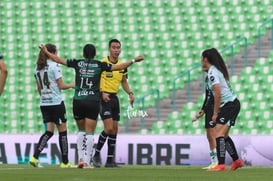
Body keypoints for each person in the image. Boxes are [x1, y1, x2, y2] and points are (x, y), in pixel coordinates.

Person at [39, 43, 144, 169]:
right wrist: (133, 60)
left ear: (83, 54)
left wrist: (46, 51)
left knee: (81, 131)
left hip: (78, 100)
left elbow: (58, 59)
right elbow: (119, 67)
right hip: (92, 101)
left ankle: (81, 159)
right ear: (94, 54)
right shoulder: (100, 65)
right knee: (89, 133)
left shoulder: (77, 63)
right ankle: (88, 162)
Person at [29, 43, 75, 168]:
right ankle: (65, 162)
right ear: (53, 53)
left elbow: (39, 88)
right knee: (63, 132)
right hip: (56, 103)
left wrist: (45, 96)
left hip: (44, 103)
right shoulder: (55, 66)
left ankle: (34, 157)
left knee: (49, 132)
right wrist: (72, 84)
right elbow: (61, 86)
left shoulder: (37, 68)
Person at [93, 39, 134, 168]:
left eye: (118, 48)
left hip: (114, 99)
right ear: (109, 49)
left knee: (114, 130)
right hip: (103, 97)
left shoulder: (122, 66)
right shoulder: (102, 63)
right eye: (114, 47)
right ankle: (96, 153)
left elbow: (123, 81)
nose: (116, 50)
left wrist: (130, 93)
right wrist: (101, 93)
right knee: (109, 128)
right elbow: (96, 80)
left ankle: (110, 160)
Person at [200, 48, 244, 171]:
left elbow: (218, 93)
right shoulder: (214, 71)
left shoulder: (212, 72)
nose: (201, 62)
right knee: (223, 136)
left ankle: (220, 165)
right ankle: (237, 161)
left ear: (205, 59)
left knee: (218, 134)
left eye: (201, 59)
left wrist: (215, 113)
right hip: (231, 104)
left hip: (230, 104)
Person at [193, 75, 218, 170]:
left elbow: (213, 97)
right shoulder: (208, 79)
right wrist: (203, 110)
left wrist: (204, 111)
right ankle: (213, 161)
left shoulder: (215, 78)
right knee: (209, 136)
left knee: (213, 135)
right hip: (209, 109)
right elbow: (207, 97)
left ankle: (217, 162)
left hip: (213, 109)